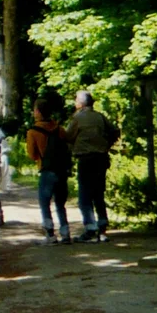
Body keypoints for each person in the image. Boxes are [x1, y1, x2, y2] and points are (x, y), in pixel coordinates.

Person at [64, 90, 113, 242]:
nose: (74, 103)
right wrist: (105, 145)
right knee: (98, 193)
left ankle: (90, 228)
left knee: (84, 195)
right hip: (101, 158)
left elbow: (68, 136)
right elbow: (114, 131)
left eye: (76, 100)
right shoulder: (100, 117)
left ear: (81, 103)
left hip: (86, 159)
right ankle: (103, 227)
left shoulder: (78, 118)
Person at [25, 92, 72, 244]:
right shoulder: (60, 129)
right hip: (61, 170)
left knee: (45, 202)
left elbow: (32, 155)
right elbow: (68, 144)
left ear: (38, 112)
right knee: (60, 203)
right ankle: (65, 232)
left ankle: (50, 234)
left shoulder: (33, 132)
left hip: (46, 170)